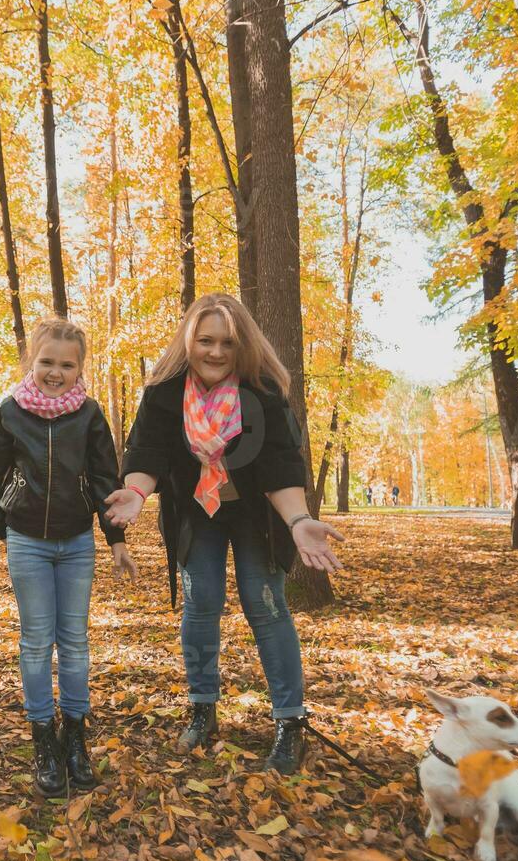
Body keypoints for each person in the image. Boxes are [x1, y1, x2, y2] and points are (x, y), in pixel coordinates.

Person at [105, 294, 345, 775]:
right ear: (188, 342)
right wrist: (136, 491)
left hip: (258, 512)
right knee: (202, 600)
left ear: (243, 347)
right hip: (197, 511)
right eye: (205, 340)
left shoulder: (262, 393)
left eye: (227, 344)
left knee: (266, 602)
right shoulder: (164, 394)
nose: (215, 352)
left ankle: (290, 721)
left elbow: (280, 464)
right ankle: (202, 709)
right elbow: (146, 451)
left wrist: (299, 522)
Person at [0, 318, 137, 798]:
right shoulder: (11, 411)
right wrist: (2, 521)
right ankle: (43, 740)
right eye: (47, 362)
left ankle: (75, 735)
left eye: (66, 365)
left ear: (79, 368)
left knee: (73, 641)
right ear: (32, 361)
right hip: (27, 540)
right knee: (35, 642)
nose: (55, 372)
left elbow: (103, 481)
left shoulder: (89, 415)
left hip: (75, 543)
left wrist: (116, 542)